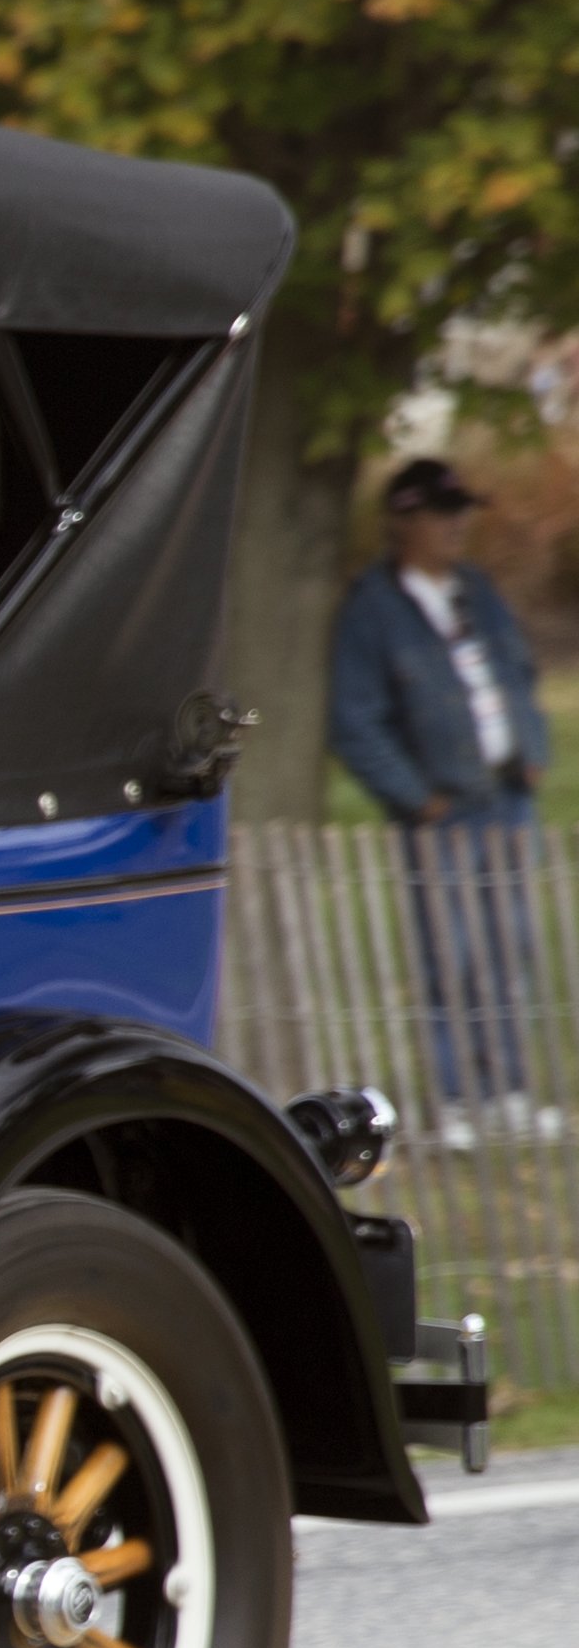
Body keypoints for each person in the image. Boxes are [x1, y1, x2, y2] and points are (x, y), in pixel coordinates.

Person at [332, 458, 555, 1146]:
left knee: (510, 950)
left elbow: (518, 670)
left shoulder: (476, 588)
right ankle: (458, 1101)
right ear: (406, 520)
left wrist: (532, 743)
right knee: (450, 959)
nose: (458, 526)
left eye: (462, 513)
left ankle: (509, 1093)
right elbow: (354, 720)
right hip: (443, 812)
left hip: (507, 797)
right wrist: (412, 796)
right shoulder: (374, 608)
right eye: (443, 513)